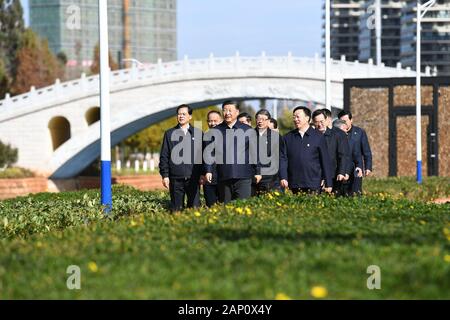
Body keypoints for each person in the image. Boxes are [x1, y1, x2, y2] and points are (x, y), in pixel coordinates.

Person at [205, 101, 262, 204]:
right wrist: (208, 170)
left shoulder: (248, 130)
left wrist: (258, 171)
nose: (227, 113)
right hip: (223, 176)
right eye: (225, 110)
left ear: (237, 112)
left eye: (230, 110)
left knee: (243, 207)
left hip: (243, 176)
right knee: (227, 209)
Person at [159, 104, 203, 212]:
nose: (181, 116)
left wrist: (202, 174)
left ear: (190, 116)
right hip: (175, 179)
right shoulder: (169, 134)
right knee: (176, 210)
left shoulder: (198, 133)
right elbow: (164, 155)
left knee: (194, 209)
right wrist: (165, 175)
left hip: (193, 178)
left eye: (184, 114)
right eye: (179, 114)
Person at [280, 106, 333, 194]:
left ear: (307, 118)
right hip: (295, 183)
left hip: (314, 182)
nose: (295, 119)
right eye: (294, 117)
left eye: (298, 117)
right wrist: (283, 177)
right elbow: (283, 159)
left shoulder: (318, 137)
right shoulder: (287, 138)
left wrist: (328, 183)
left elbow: (325, 160)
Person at [312, 109, 350, 196]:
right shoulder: (310, 136)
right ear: (313, 122)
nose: (319, 124)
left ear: (326, 120)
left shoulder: (337, 135)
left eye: (321, 121)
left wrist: (341, 172)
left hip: (334, 175)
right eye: (316, 122)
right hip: (315, 176)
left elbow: (343, 155)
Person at [338, 110, 372, 195]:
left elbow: (366, 151)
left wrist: (368, 167)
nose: (344, 123)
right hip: (341, 169)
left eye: (345, 121)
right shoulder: (336, 133)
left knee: (355, 194)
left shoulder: (359, 132)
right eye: (341, 121)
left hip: (356, 169)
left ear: (351, 120)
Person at [252, 109, 281, 195]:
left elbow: (279, 157)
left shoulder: (275, 137)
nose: (260, 121)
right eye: (258, 119)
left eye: (263, 119)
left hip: (271, 179)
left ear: (268, 121)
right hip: (252, 178)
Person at [200, 110, 222, 207]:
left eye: (215, 121)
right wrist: (201, 174)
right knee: (211, 206)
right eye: (210, 121)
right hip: (208, 180)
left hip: (224, 179)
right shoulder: (204, 137)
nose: (212, 123)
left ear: (221, 120)